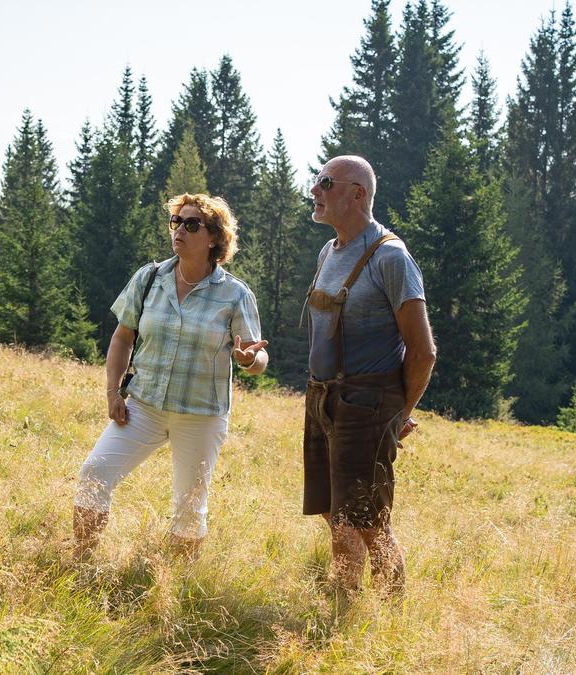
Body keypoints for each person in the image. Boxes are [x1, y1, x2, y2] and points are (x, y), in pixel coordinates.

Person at [73, 193, 268, 559]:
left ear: (214, 237)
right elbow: (122, 336)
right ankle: (80, 562)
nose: (180, 230)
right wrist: (113, 392)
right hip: (143, 407)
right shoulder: (149, 278)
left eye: (192, 224)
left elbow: (259, 358)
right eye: (176, 222)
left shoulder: (235, 295)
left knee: (189, 507)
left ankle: (173, 587)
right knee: (94, 473)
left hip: (201, 415)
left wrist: (247, 360)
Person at [302, 155, 435, 599]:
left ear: (357, 193)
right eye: (316, 182)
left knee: (365, 520)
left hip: (366, 403)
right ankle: (350, 599)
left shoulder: (391, 258)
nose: (315, 192)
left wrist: (398, 414)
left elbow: (423, 351)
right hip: (323, 398)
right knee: (332, 510)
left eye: (325, 183)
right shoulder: (329, 250)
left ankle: (379, 611)